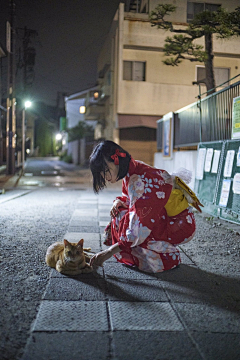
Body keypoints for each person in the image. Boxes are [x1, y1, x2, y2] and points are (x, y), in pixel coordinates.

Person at [89, 140, 203, 273]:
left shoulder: (139, 180)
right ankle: (152, 249)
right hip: (169, 217)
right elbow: (132, 200)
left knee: (139, 235)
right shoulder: (133, 169)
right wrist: (119, 202)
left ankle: (169, 256)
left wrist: (107, 253)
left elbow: (139, 229)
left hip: (179, 224)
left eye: (105, 171)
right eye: (101, 174)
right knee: (120, 213)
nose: (105, 177)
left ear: (116, 161)